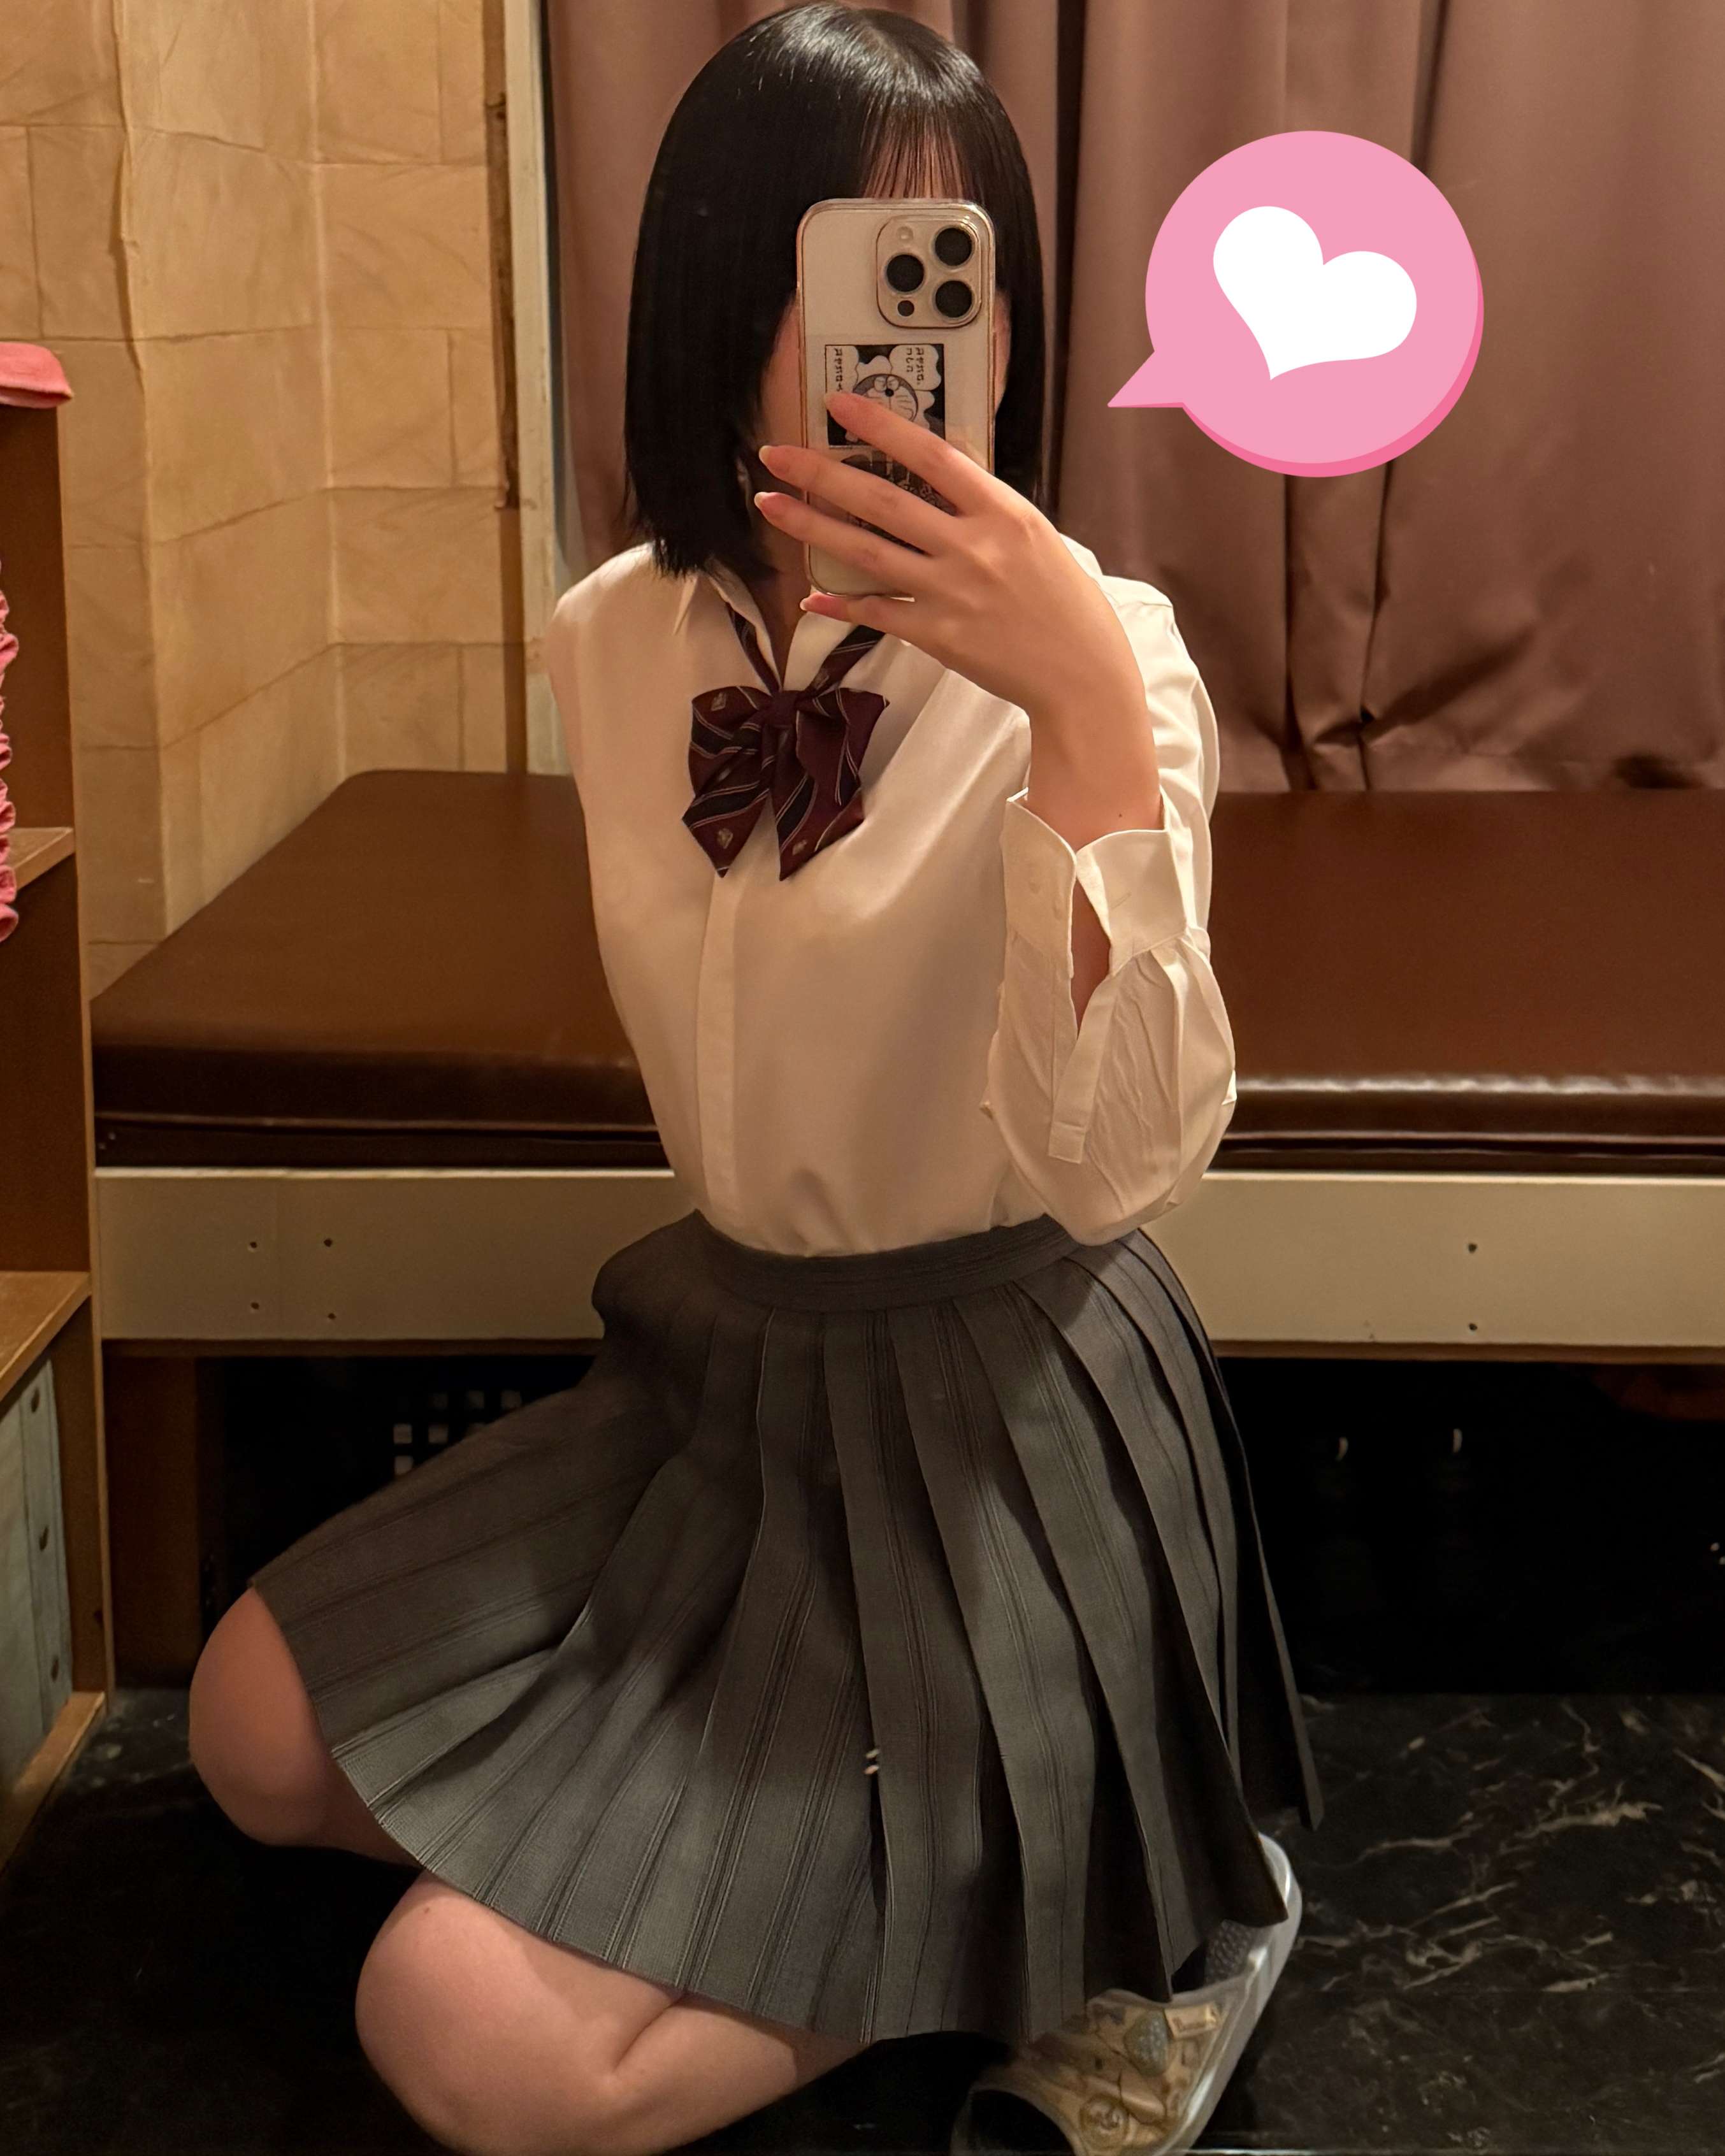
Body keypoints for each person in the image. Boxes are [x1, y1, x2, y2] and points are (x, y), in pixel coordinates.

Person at [186, 8, 1322, 2154]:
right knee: (252, 1728)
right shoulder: (613, 639)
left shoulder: (1114, 656)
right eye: (850, 273)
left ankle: (1102, 1929)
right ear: (721, 303)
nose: (907, 341)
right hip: (719, 1378)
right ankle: (917, 1878)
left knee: (458, 2028)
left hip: (991, 1414)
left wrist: (1080, 715)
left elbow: (1119, 1168)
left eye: (957, 279)